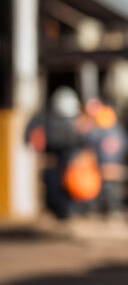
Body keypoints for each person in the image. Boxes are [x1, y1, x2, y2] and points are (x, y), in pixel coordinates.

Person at [25, 86, 84, 220]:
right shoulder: (44, 117)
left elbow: (82, 139)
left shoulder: (75, 119)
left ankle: (68, 210)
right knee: (52, 185)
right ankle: (55, 210)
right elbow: (30, 133)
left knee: (70, 184)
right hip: (51, 159)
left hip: (69, 157)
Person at [82, 99, 128, 219]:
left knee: (101, 191)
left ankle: (96, 211)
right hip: (115, 166)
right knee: (113, 190)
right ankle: (114, 211)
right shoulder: (118, 130)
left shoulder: (97, 131)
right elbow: (126, 145)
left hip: (102, 167)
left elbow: (87, 143)